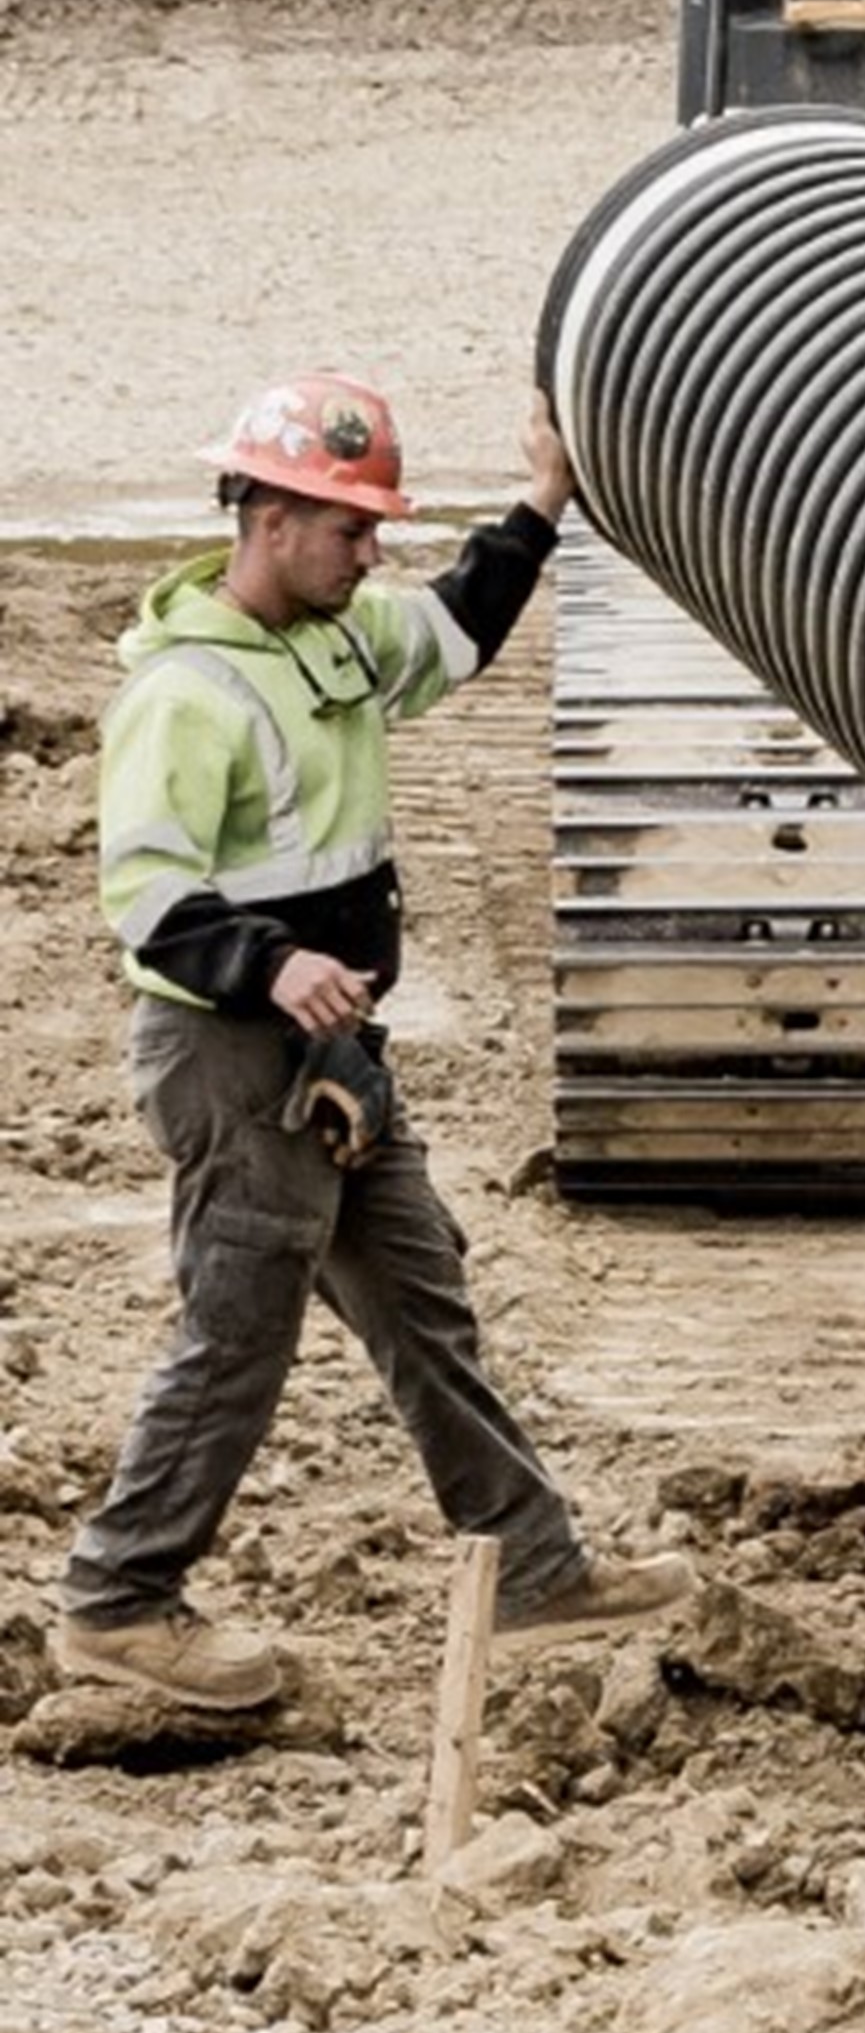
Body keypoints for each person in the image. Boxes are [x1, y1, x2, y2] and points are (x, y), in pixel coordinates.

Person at [48, 373, 691, 1721]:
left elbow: (455, 630)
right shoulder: (187, 693)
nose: (372, 552)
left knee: (418, 1292)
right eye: (350, 529)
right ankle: (117, 1603)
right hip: (230, 1056)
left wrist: (544, 500)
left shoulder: (335, 642)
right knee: (238, 1331)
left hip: (333, 1057)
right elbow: (149, 902)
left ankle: (532, 1567)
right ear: (272, 518)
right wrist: (272, 963)